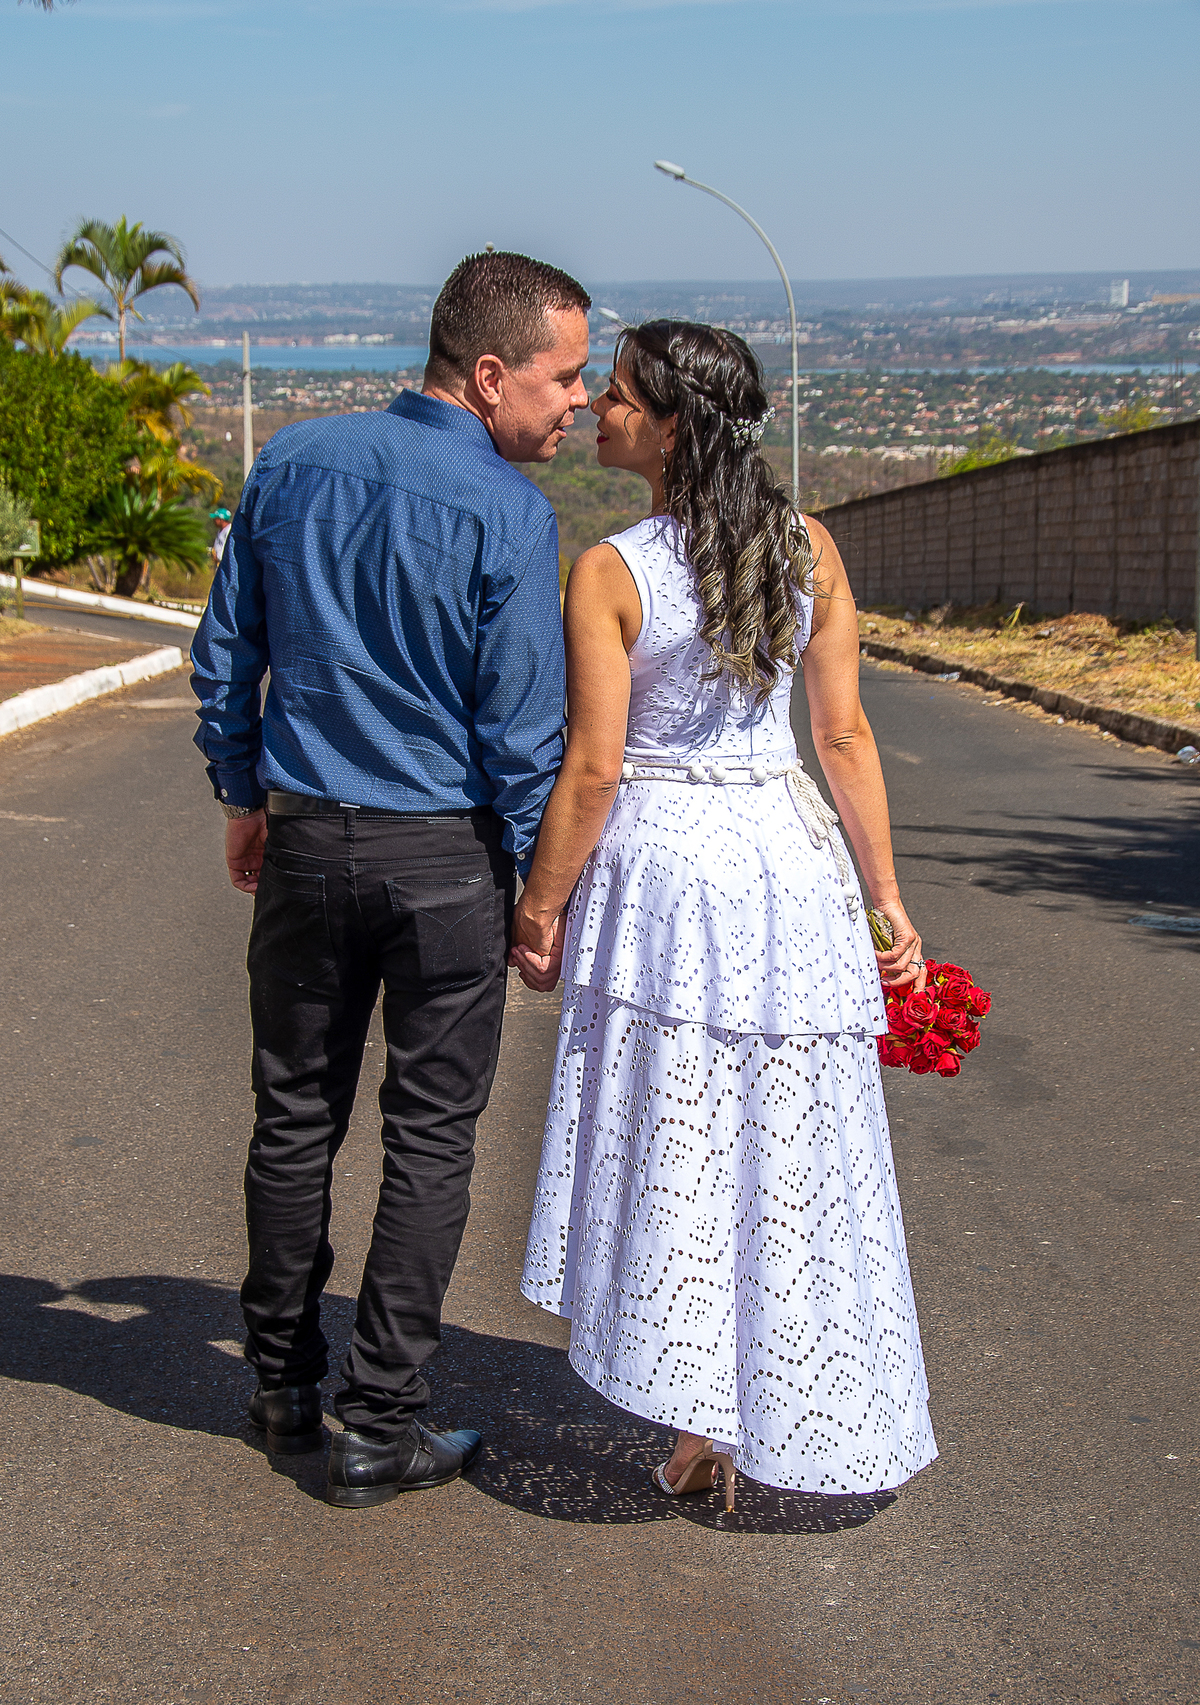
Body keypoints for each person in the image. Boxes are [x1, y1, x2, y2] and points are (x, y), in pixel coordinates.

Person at [511, 321, 937, 1511]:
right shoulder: (812, 550)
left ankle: (700, 1412)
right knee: (787, 1139)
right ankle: (784, 1394)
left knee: (684, 1138)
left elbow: (594, 770)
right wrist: (885, 899)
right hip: (790, 871)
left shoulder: (611, 569)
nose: (598, 405)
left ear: (673, 425)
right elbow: (843, 735)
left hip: (664, 887)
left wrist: (541, 905)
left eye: (623, 395)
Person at [190, 251, 591, 1507]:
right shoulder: (513, 519)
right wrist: (540, 895)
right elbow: (524, 736)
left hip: (307, 842)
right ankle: (379, 1421)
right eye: (563, 375)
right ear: (488, 375)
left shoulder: (293, 463)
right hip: (442, 864)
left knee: (294, 1115)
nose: (578, 399)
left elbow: (225, 656)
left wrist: (244, 791)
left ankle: (278, 1386)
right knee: (429, 1137)